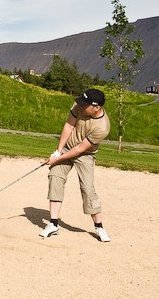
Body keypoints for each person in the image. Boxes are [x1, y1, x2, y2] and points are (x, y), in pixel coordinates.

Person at [40, 88, 112, 242]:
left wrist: (56, 159)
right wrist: (58, 152)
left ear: (96, 107)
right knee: (55, 177)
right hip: (66, 148)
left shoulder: (102, 127)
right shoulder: (78, 106)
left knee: (87, 188)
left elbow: (80, 149)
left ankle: (99, 227)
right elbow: (68, 126)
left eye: (84, 104)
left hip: (85, 155)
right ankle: (53, 224)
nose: (80, 105)